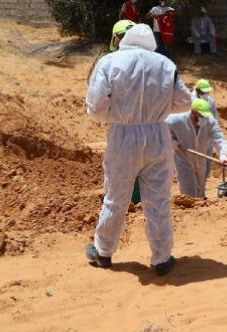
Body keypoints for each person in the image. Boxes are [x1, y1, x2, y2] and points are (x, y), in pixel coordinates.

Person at [85, 24, 191, 275]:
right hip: (157, 136)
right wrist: (157, 113)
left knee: (116, 197)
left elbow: (95, 108)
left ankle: (103, 252)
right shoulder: (165, 64)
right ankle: (162, 259)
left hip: (122, 138)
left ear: (124, 40)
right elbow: (185, 102)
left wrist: (120, 116)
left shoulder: (109, 63)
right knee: (158, 201)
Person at [168, 99, 227, 198]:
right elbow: (163, 132)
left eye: (205, 116)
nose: (203, 118)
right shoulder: (176, 121)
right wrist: (175, 144)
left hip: (201, 161)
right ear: (193, 113)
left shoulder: (210, 122)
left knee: (200, 190)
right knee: (189, 193)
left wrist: (223, 155)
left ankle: (200, 210)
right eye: (200, 116)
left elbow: (219, 139)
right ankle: (190, 211)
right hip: (184, 161)